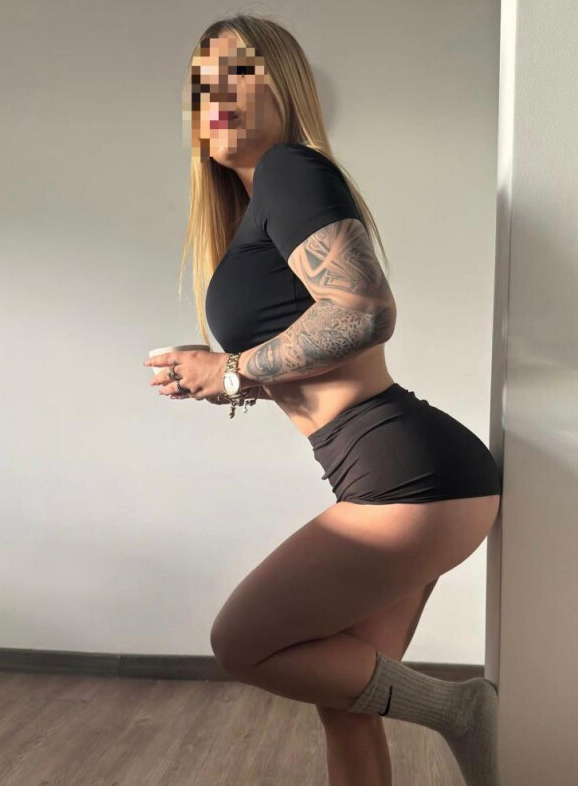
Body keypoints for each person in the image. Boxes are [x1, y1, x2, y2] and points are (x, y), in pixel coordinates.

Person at [145, 13, 502, 786]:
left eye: (237, 72)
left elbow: (363, 311)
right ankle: (460, 713)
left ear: (284, 82)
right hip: (408, 473)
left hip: (404, 476)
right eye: (201, 85)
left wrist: (232, 369)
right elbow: (319, 341)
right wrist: (226, 379)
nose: (216, 95)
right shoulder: (259, 206)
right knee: (346, 707)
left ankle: (459, 710)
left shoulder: (290, 170)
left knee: (242, 641)